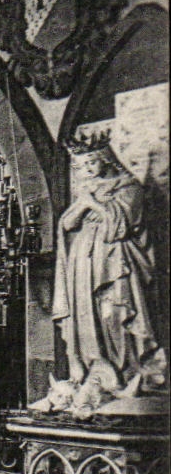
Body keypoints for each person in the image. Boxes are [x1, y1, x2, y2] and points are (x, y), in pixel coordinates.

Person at [52, 135, 163, 401]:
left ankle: (126, 373)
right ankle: (95, 373)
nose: (88, 170)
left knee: (114, 314)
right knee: (85, 316)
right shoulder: (88, 189)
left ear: (106, 159)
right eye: (81, 165)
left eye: (91, 163)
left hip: (114, 264)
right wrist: (83, 203)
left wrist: (92, 203)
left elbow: (121, 224)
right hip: (83, 263)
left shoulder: (129, 187)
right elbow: (66, 224)